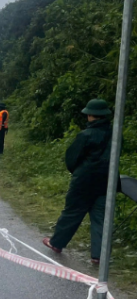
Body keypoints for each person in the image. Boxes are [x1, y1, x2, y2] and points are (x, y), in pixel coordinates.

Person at [43, 99, 114, 265]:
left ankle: (56, 243)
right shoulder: (115, 135)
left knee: (72, 212)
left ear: (90, 115)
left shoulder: (85, 135)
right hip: (107, 181)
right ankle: (99, 255)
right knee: (101, 218)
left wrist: (79, 171)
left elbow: (72, 158)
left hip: (84, 181)